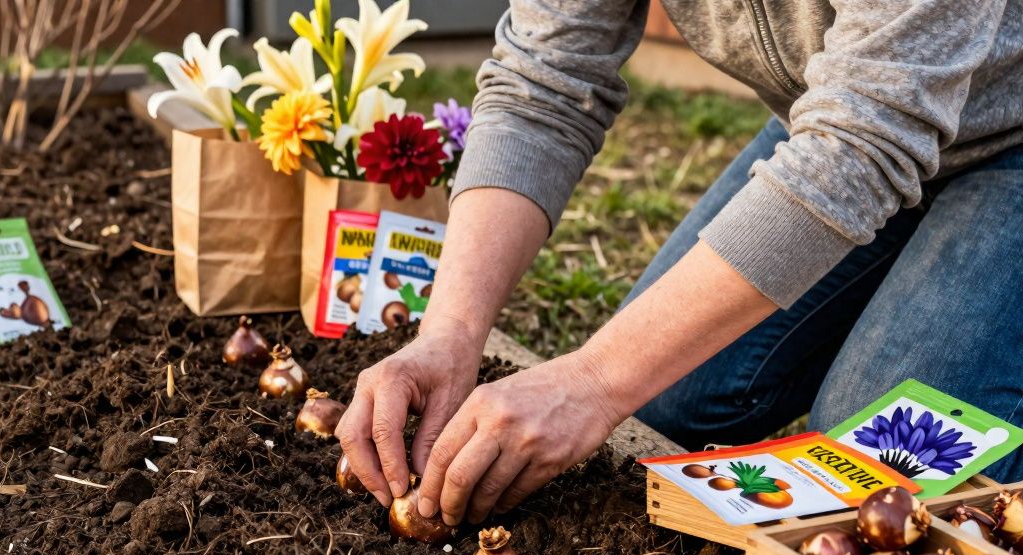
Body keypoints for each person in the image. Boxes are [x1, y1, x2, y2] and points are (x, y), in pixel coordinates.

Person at [336, 0, 1023, 527]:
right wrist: (449, 334)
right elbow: (540, 85)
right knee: (660, 406)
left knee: (876, 471)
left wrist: (593, 381)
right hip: (847, 124)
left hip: (986, 133)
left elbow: (868, 140)